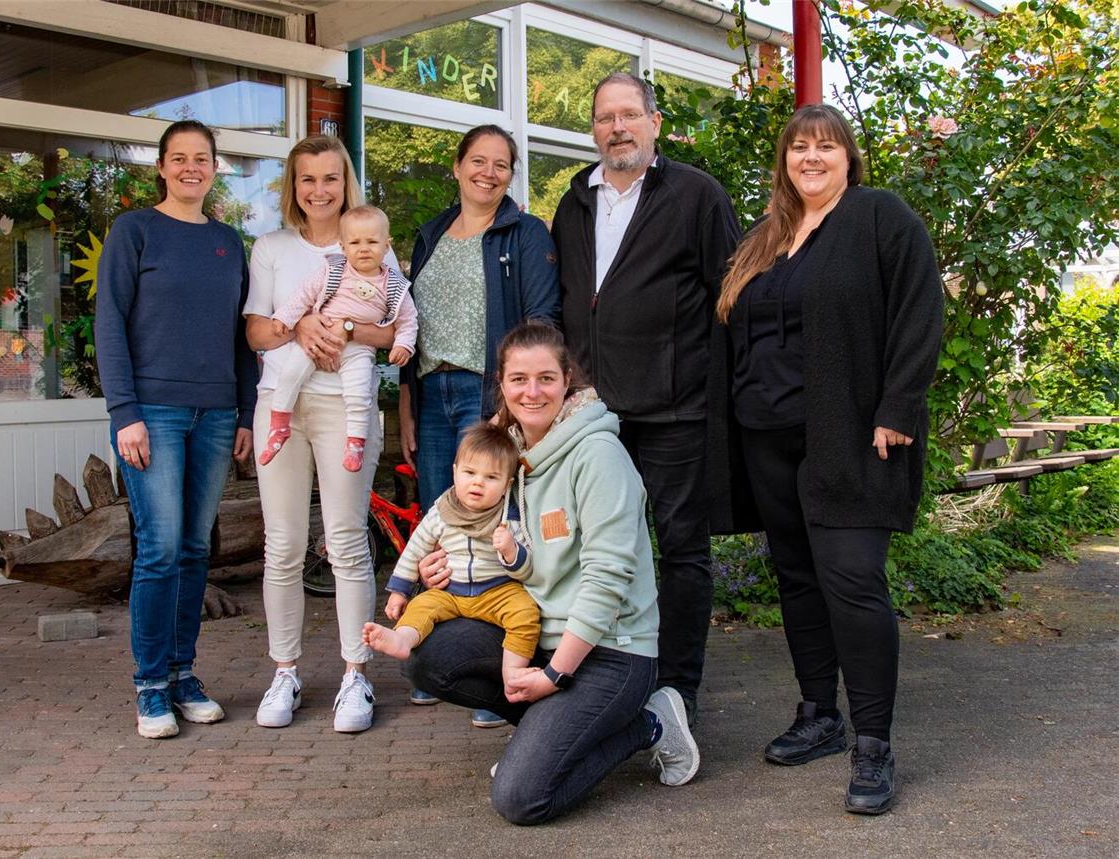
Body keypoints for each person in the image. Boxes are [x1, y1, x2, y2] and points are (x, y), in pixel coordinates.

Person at [718, 104, 944, 814]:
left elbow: (920, 308)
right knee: (797, 578)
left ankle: (873, 743)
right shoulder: (766, 236)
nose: (811, 157)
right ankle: (819, 713)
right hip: (765, 435)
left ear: (849, 158)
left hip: (848, 435)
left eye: (825, 146)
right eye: (798, 147)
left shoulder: (879, 217)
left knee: (852, 580)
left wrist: (898, 407)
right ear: (784, 161)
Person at [406, 321, 700, 825]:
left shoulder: (598, 455)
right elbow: (471, 535)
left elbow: (607, 579)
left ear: (568, 380)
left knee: (521, 799)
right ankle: (550, 738)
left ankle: (649, 723)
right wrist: (439, 568)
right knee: (428, 656)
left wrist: (554, 675)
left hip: (610, 652)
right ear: (502, 384)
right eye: (519, 379)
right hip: (535, 634)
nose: (532, 392)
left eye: (546, 378)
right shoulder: (504, 454)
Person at [551, 72, 740, 726]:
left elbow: (732, 297)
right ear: (593, 129)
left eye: (629, 114)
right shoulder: (575, 201)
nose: (618, 128)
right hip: (594, 415)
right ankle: (606, 678)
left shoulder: (696, 195)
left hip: (675, 411)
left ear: (655, 123)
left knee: (682, 551)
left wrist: (722, 391)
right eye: (606, 117)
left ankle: (678, 689)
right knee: (596, 551)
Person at [95, 119, 256, 739]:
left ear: (215, 167)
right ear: (161, 167)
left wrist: (245, 413)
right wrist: (124, 413)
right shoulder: (134, 231)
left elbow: (241, 337)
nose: (192, 167)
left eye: (202, 158)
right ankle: (150, 685)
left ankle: (183, 674)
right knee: (159, 550)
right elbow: (110, 323)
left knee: (194, 550)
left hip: (215, 415)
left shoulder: (228, 241)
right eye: (179, 158)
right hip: (153, 414)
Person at [399, 123, 560, 728]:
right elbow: (410, 323)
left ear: (511, 175)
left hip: (485, 391)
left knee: (493, 519)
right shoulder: (431, 235)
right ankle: (444, 658)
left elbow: (542, 320)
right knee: (440, 522)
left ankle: (495, 669)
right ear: (457, 166)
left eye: (501, 164)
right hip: (432, 389)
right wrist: (407, 405)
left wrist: (509, 401)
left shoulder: (525, 233)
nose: (488, 173)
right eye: (478, 161)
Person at [244, 135, 399, 733]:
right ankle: (284, 672)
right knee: (283, 546)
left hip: (346, 410)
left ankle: (355, 675)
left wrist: (345, 330)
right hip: (280, 406)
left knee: (346, 542)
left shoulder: (370, 241)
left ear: (345, 182)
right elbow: (257, 333)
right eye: (307, 179)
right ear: (294, 186)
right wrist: (301, 325)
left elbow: (395, 331)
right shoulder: (272, 247)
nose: (319, 190)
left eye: (330, 178)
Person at [363, 423, 539, 686]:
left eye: (491, 477)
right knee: (420, 606)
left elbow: (528, 569)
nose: (478, 482)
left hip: (498, 590)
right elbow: (415, 549)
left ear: (507, 484)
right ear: (455, 472)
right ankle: (402, 639)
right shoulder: (442, 512)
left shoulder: (509, 518)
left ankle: (512, 671)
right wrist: (400, 591)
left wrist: (512, 551)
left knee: (525, 613)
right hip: (450, 592)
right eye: (470, 472)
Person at [259, 205, 417, 472]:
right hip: (319, 338)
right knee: (290, 374)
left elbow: (408, 320)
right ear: (343, 247)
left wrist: (404, 344)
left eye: (372, 242)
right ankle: (279, 425)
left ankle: (355, 443)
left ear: (386, 246)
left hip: (359, 348)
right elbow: (303, 295)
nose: (363, 249)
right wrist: (284, 318)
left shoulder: (394, 285)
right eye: (355, 243)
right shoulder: (333, 271)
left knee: (358, 392)